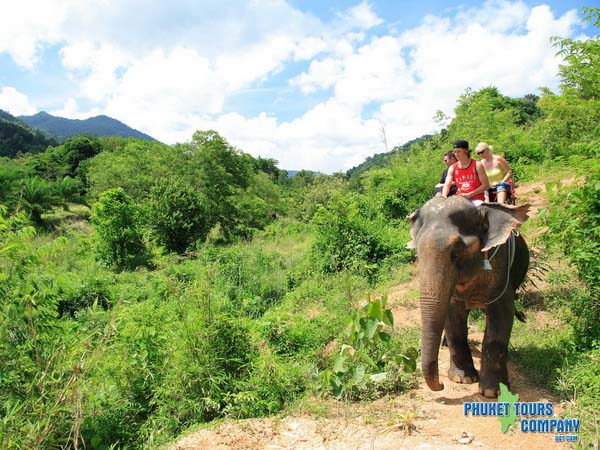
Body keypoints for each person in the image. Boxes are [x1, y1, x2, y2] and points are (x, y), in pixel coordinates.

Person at [443, 140, 492, 270]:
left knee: (482, 221)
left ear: (466, 151)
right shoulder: (453, 168)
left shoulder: (477, 165)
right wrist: (443, 196)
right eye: (454, 152)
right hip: (460, 199)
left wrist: (470, 194)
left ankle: (486, 257)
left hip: (476, 199)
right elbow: (447, 184)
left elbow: (485, 185)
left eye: (458, 151)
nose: (456, 154)